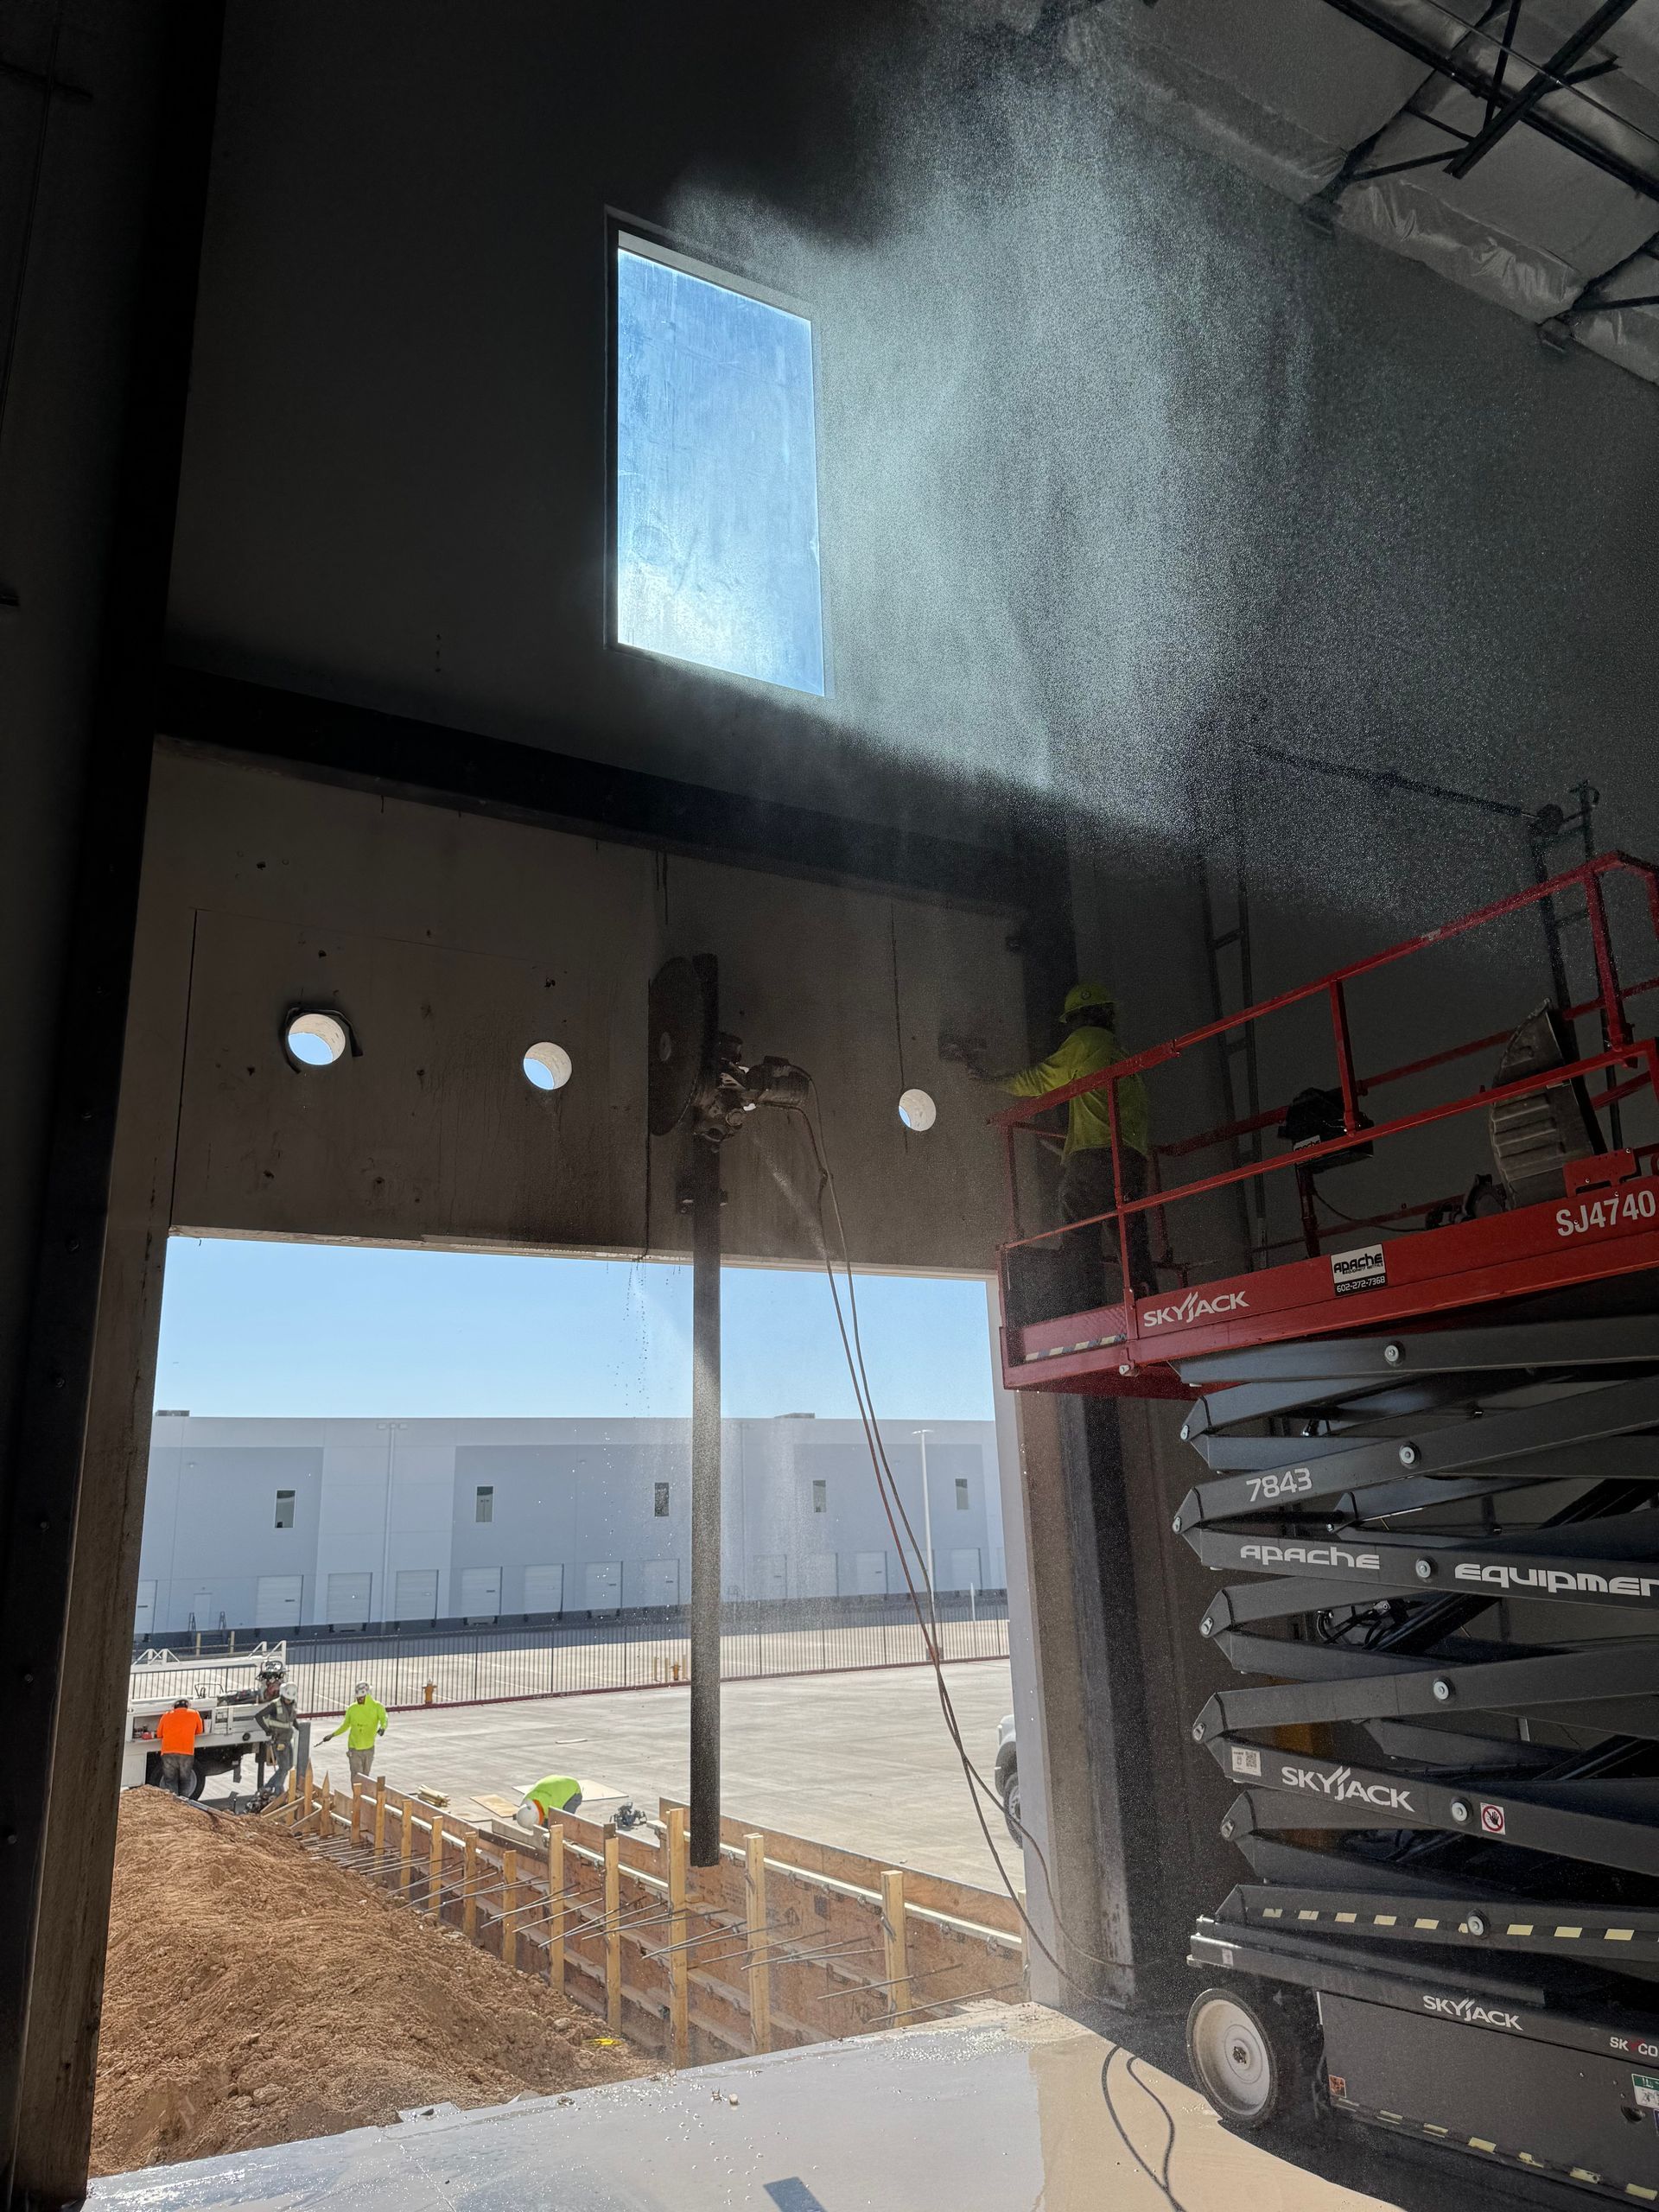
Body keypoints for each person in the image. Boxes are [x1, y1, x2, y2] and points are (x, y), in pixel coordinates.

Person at [969, 982, 1156, 1300]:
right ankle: (1148, 1299)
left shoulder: (1085, 1042)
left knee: (1079, 1227)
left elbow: (1041, 1079)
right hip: (1132, 1160)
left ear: (1078, 1019)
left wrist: (992, 1081)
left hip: (1096, 1156)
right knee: (1130, 1235)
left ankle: (1085, 1302)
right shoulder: (1119, 1051)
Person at [324, 1681, 388, 1782]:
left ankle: (363, 1796)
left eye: (361, 1698)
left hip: (369, 1748)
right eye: (358, 1698)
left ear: (367, 1695)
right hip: (354, 1748)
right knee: (356, 1775)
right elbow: (345, 1725)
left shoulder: (377, 1707)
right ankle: (357, 1796)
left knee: (365, 1776)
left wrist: (383, 1728)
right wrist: (332, 1735)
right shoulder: (352, 1709)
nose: (359, 1700)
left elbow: (384, 1718)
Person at [251, 1662, 299, 1791]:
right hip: (278, 1740)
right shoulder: (274, 1704)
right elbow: (258, 1716)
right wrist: (267, 1730)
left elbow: (292, 1720)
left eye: (290, 1699)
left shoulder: (292, 1704)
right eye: (287, 1699)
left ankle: (268, 1787)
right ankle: (278, 1790)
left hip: (288, 1739)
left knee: (289, 1766)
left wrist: (300, 1728)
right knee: (283, 1767)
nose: (288, 1701)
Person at [155, 1696, 205, 1797]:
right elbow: (199, 1731)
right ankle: (184, 1803)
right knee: (185, 1780)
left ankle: (174, 1804)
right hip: (186, 1752)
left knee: (170, 1780)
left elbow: (159, 1734)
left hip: (168, 1752)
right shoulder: (194, 1714)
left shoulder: (166, 1715)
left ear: (174, 1707)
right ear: (187, 1705)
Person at [515, 1775, 584, 1829]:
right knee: (547, 1823)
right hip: (554, 1782)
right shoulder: (527, 1798)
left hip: (573, 1789)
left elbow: (557, 1819)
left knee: (563, 1821)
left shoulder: (554, 1805)